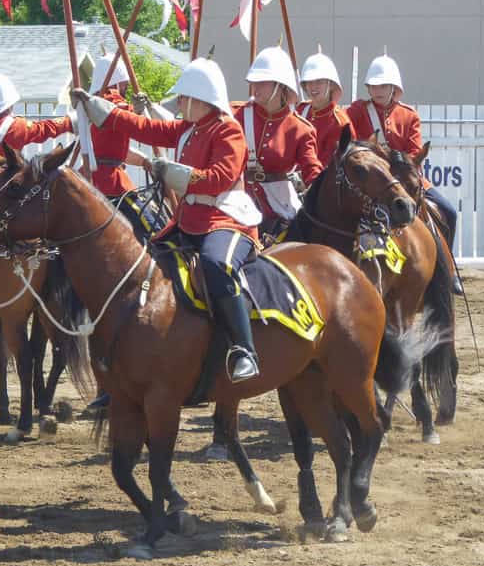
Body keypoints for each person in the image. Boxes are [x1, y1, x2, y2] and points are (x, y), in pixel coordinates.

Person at [72, 57, 263, 384]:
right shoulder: (190, 128)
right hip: (188, 220)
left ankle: (244, 350)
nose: (180, 105)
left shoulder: (229, 130)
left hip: (227, 219)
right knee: (141, 264)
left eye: (185, 99)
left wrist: (170, 172)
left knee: (216, 265)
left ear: (202, 100)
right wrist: (101, 110)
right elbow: (146, 128)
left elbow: (218, 179)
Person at [346, 54, 462, 294]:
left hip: (405, 179)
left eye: (383, 86)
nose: (377, 90)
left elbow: (413, 152)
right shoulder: (357, 111)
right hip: (373, 180)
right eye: (373, 86)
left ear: (394, 88)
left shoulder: (409, 115)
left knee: (448, 212)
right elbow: (355, 146)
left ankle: (447, 271)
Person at [235, 47, 323, 244]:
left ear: (280, 86)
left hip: (279, 207)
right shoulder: (238, 116)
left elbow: (312, 172)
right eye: (253, 82)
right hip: (239, 201)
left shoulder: (300, 128)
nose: (255, 87)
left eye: (262, 82)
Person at [82, 52, 160, 244]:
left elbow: (116, 152)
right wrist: (137, 111)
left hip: (90, 176)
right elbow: (119, 113)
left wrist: (144, 161)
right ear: (116, 82)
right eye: (124, 82)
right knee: (155, 230)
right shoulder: (111, 99)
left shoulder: (92, 101)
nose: (126, 86)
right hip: (111, 182)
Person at [297, 50, 352, 169]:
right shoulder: (300, 111)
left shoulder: (339, 122)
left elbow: (330, 165)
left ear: (331, 84)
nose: (313, 86)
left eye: (319, 82)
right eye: (309, 82)